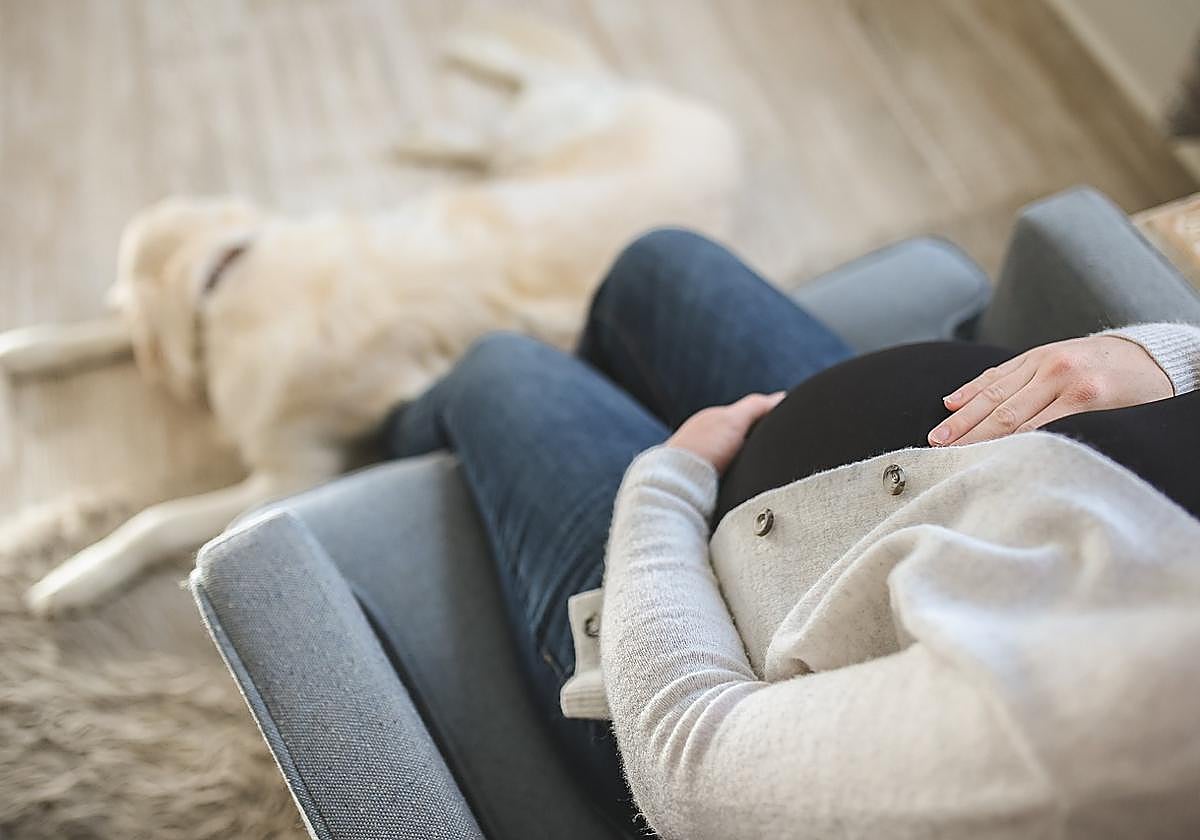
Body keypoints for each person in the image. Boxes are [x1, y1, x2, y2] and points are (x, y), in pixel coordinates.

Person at [386, 229, 1200, 839]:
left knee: (502, 371)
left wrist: (662, 483)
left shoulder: (1113, 733)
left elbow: (690, 766)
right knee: (660, 265)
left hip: (696, 644)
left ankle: (386, 451)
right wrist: (1162, 359)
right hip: (882, 469)